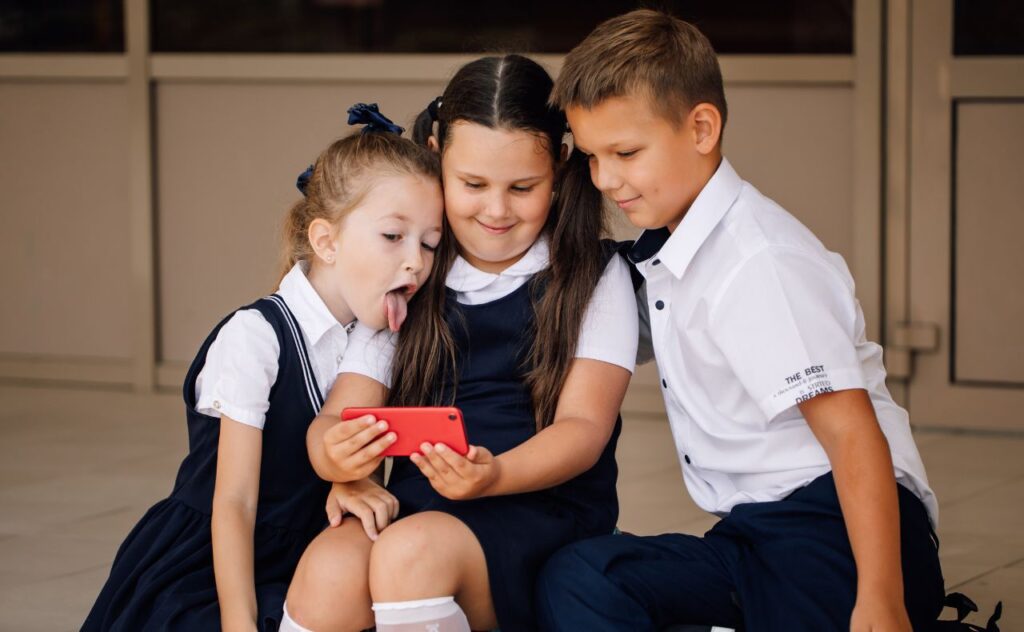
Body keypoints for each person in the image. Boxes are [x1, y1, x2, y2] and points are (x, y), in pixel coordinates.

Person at [536, 9, 945, 632]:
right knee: (585, 578)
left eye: (625, 152)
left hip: (838, 533)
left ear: (702, 128)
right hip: (753, 538)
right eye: (591, 157)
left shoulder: (760, 262)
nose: (606, 179)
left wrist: (881, 602)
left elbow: (854, 437)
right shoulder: (670, 248)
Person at [281, 54, 639, 632]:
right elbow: (337, 418)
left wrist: (493, 476)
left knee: (411, 554)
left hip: (540, 510)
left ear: (562, 165)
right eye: (472, 184)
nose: (496, 210)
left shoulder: (591, 274)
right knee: (331, 565)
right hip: (424, 504)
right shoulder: (411, 271)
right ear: (434, 154)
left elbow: (583, 431)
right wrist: (340, 463)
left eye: (523, 187)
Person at [82, 105, 443, 632]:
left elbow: (357, 448)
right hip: (214, 564)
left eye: (430, 244)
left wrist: (349, 480)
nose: (416, 261)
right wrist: (237, 619)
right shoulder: (255, 337)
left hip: (302, 554)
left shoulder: (379, 334)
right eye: (393, 237)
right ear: (326, 241)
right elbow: (234, 500)